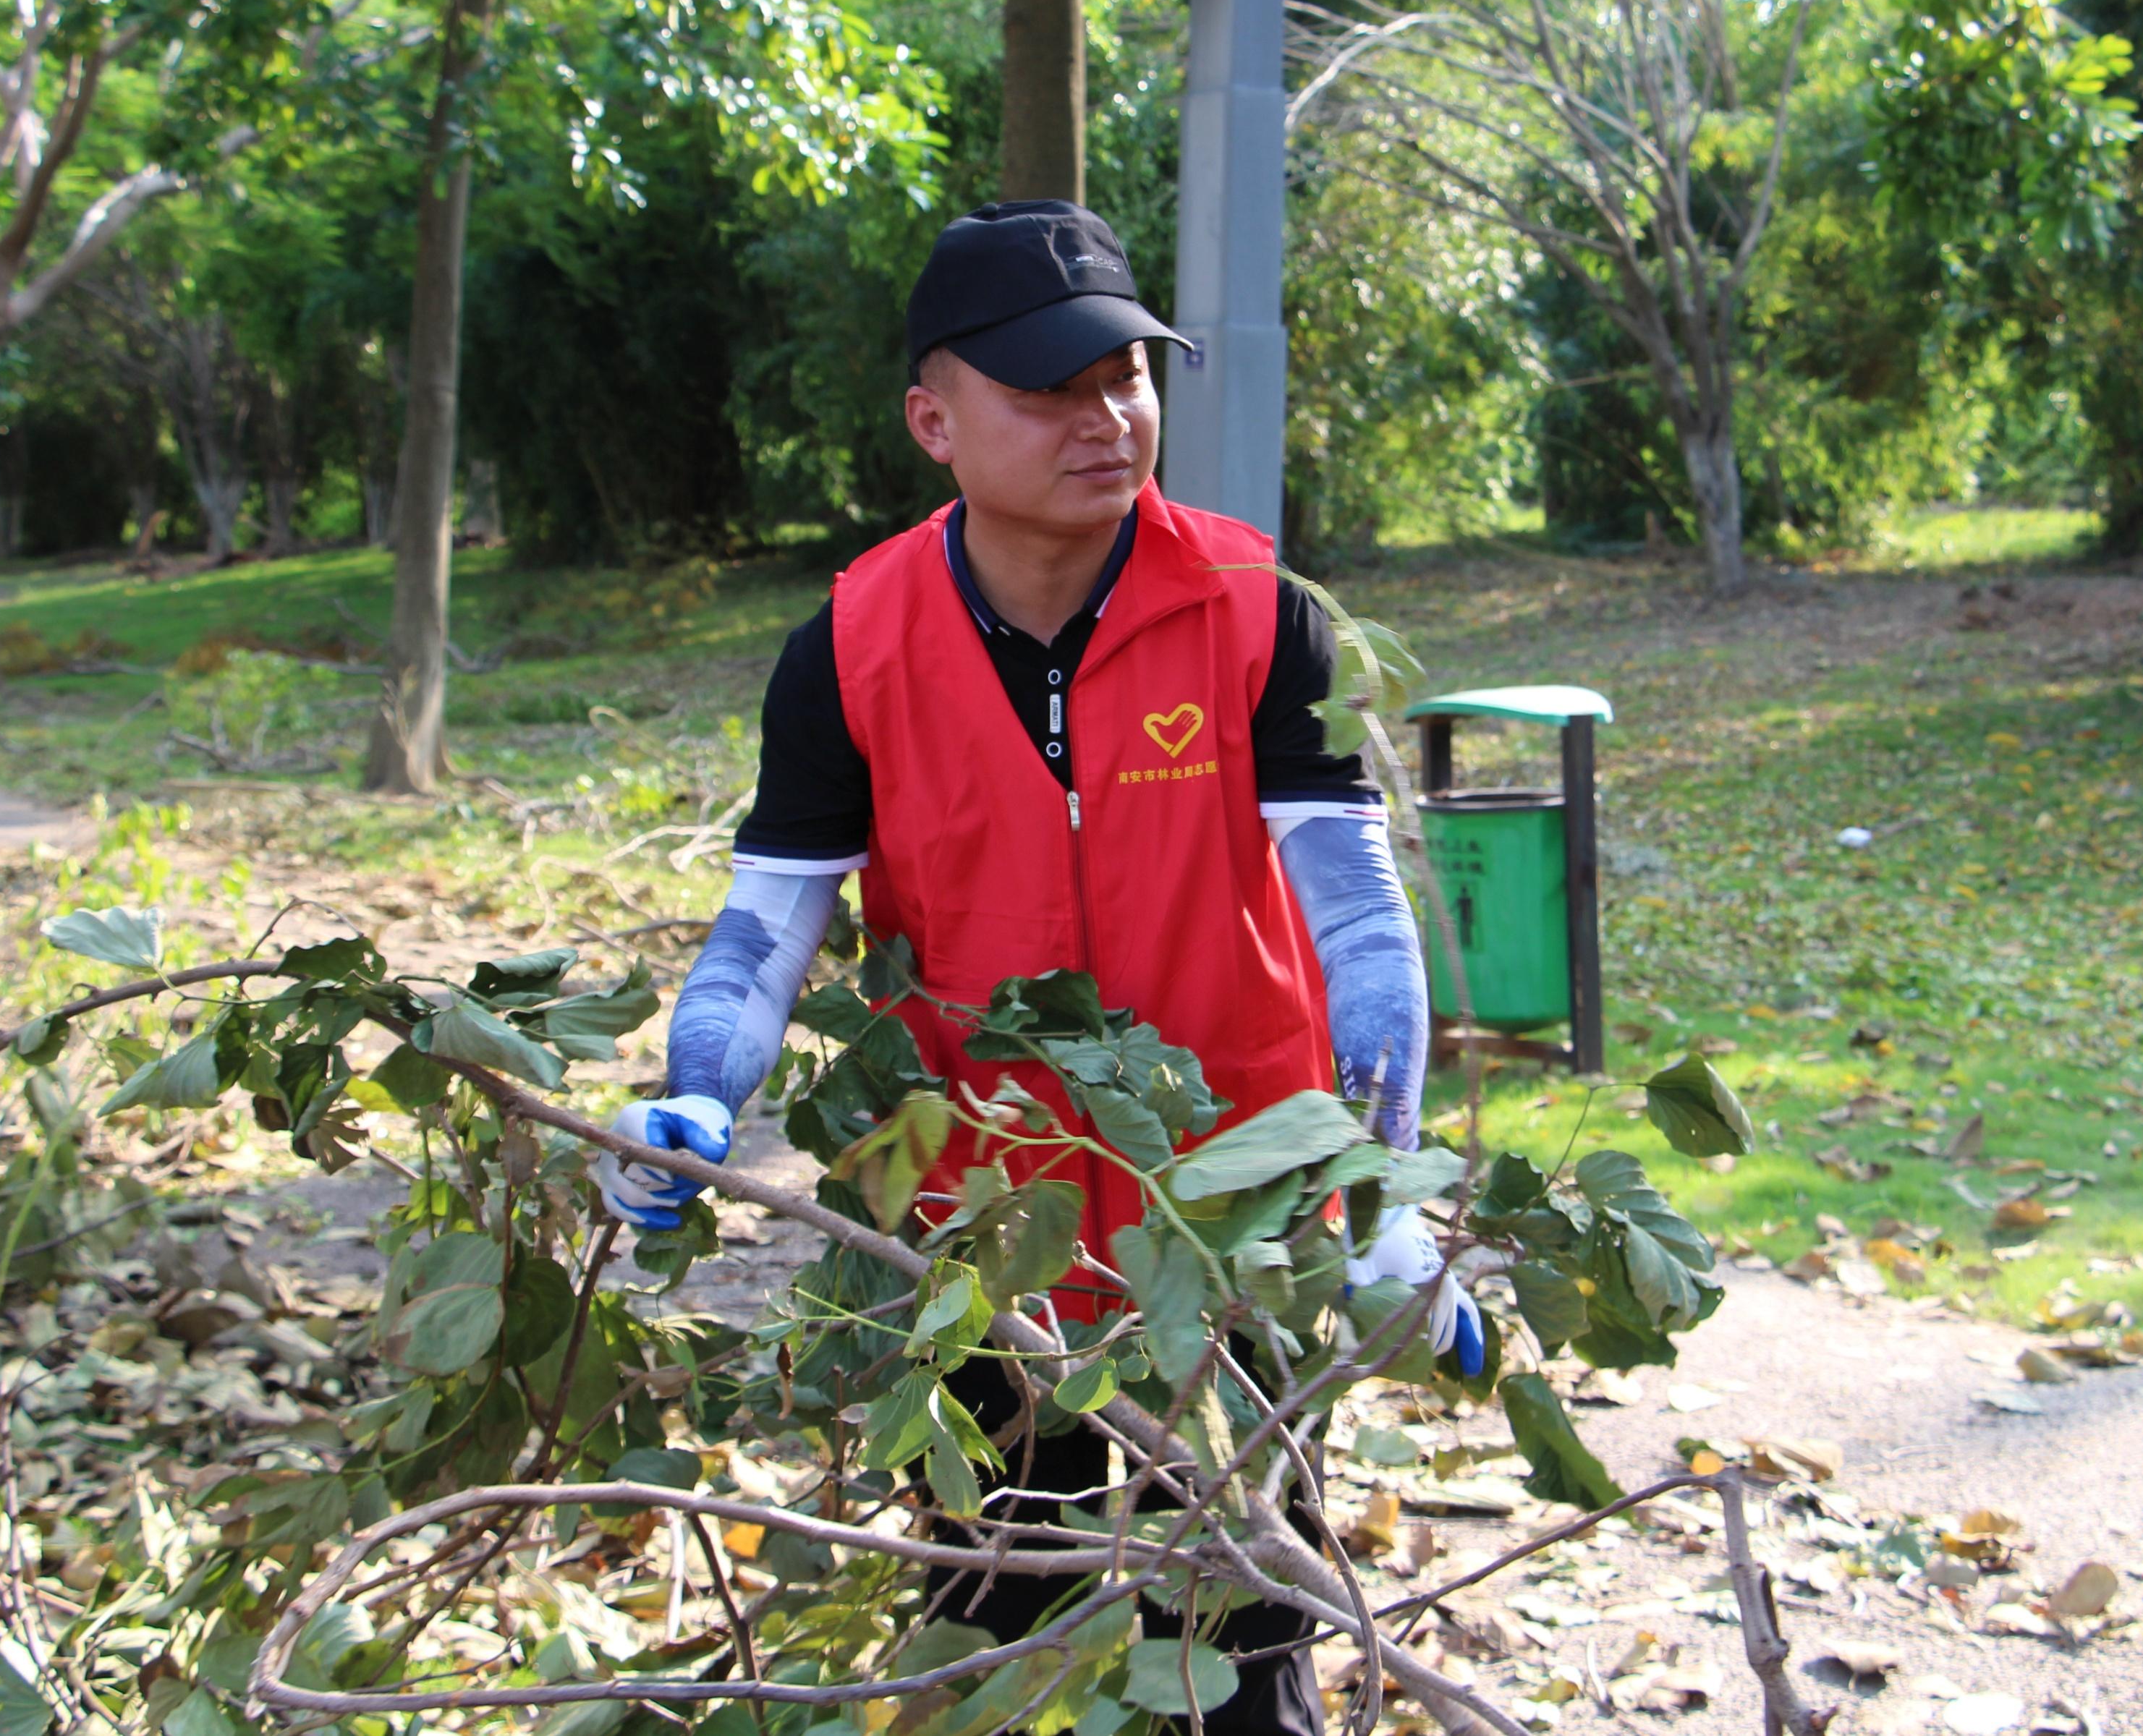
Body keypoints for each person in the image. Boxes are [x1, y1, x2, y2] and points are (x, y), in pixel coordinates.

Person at [589, 200, 1481, 1735]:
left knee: (1246, 1647)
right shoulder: (848, 649)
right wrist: (690, 1098)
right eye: (1051, 388)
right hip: (983, 1239)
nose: (1110, 415)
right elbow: (765, 927)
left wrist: (1387, 1192)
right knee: (999, 1647)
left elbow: (1359, 921)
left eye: (1127, 374)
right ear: (934, 420)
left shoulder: (1263, 620)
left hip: (1230, 1228)